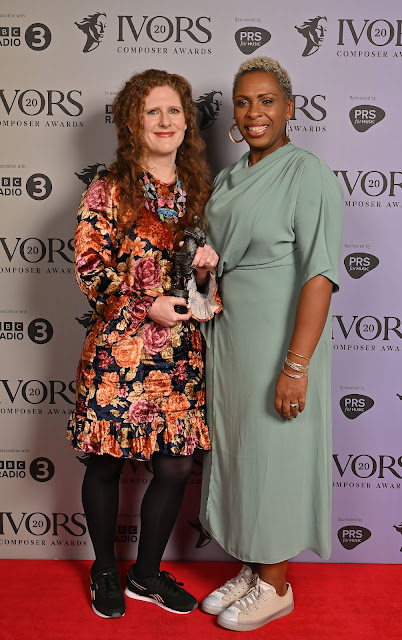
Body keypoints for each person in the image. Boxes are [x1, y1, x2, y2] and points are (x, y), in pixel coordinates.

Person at [67, 68, 220, 619]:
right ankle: (105, 568)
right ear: (134, 120)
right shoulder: (107, 187)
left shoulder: (201, 192)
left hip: (178, 353)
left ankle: (148, 574)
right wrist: (142, 301)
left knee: (176, 466)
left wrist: (204, 278)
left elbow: (206, 284)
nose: (165, 121)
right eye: (152, 110)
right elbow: (89, 269)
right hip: (118, 350)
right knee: (104, 464)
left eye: (174, 111)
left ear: (187, 123)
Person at [199, 57, 343, 632]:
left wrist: (296, 365)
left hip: (280, 343)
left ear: (288, 107)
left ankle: (278, 587)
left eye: (265, 101)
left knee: (274, 458)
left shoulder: (308, 173)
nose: (253, 112)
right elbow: (213, 260)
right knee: (239, 457)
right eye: (242, 101)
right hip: (229, 341)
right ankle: (255, 568)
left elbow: (319, 275)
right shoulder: (229, 178)